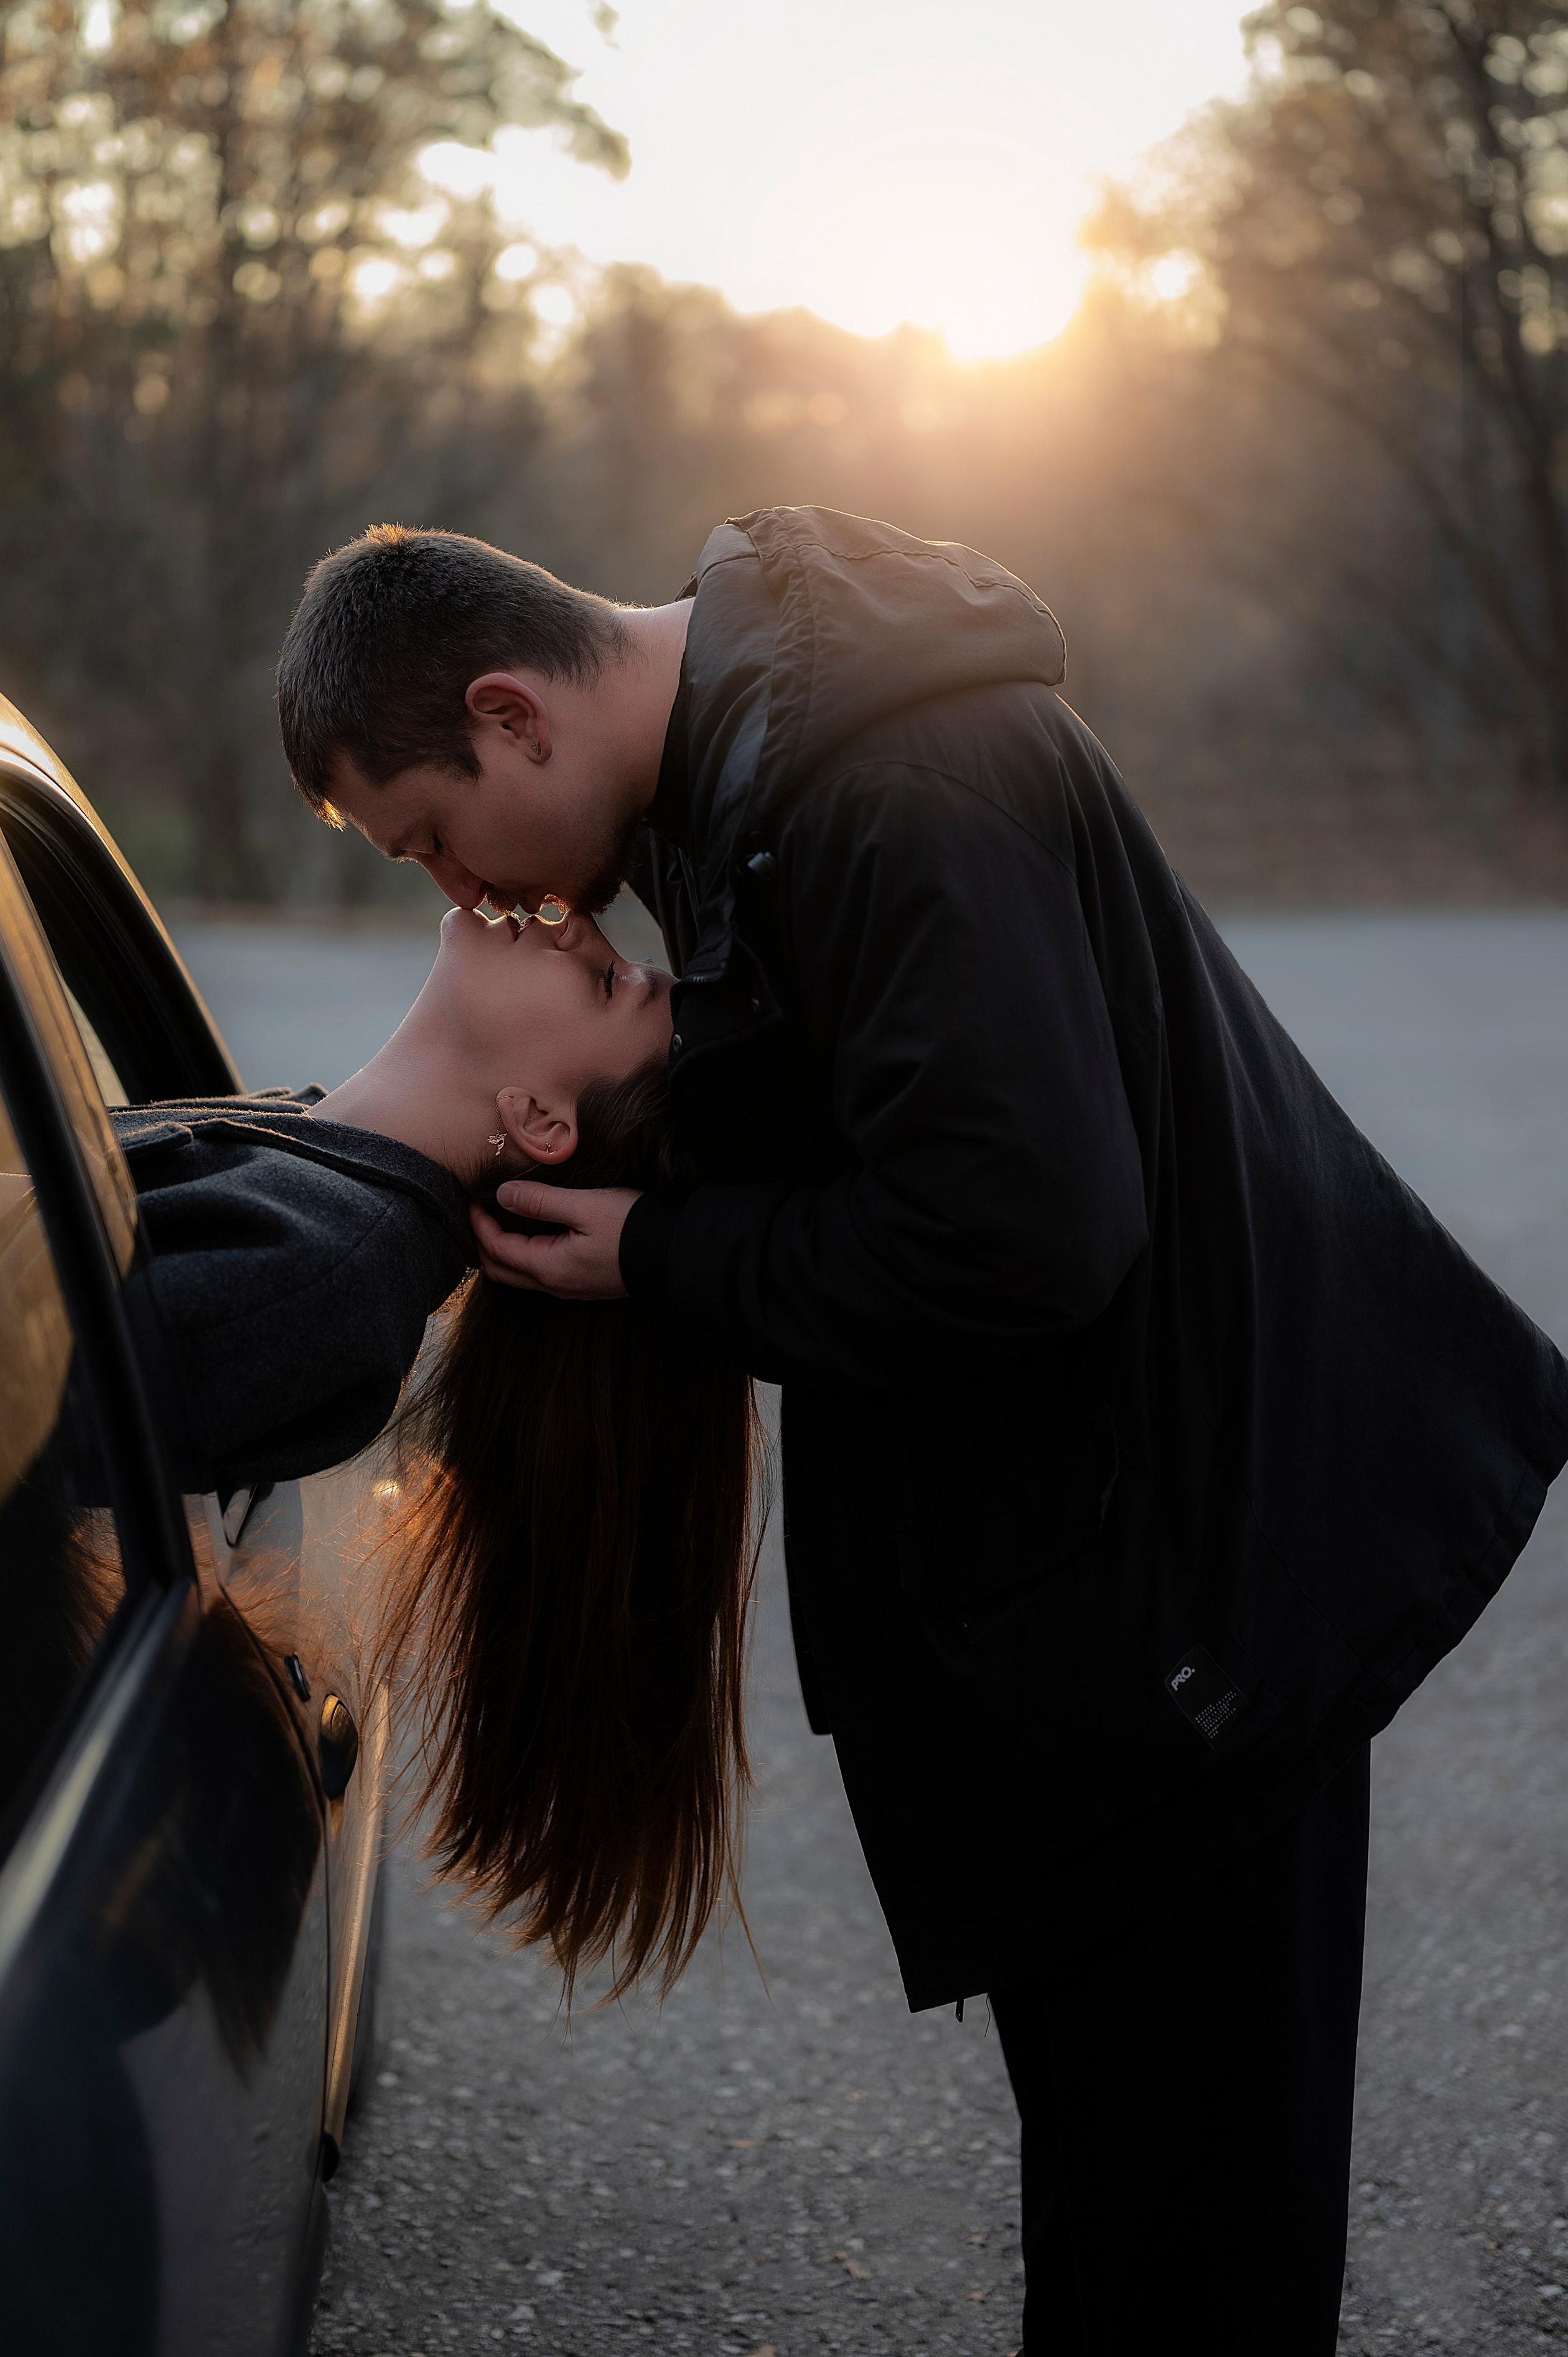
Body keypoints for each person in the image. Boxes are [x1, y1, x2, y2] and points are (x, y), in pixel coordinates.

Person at [274, 508, 1568, 2354]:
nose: (475, 904)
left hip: (1185, 1607)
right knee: (1131, 2208)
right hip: (1122, 1595)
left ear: (513, 713)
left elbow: (1027, 1224)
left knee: (1182, 2248)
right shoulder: (767, 772)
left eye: (439, 843)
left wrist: (669, 1250)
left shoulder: (885, 784)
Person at [118, 901, 762, 1999]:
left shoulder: (320, 1277)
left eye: (605, 982)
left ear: (541, 1120)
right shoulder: (309, 1162)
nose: (578, 925)